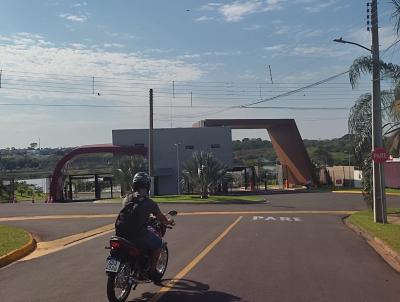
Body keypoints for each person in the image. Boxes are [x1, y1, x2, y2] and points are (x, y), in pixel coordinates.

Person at [115, 172, 174, 280]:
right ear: (147, 186)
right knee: (158, 244)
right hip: (138, 235)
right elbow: (162, 218)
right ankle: (152, 272)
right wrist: (169, 221)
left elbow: (132, 215)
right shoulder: (150, 203)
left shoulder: (126, 199)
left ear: (134, 184)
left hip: (120, 234)